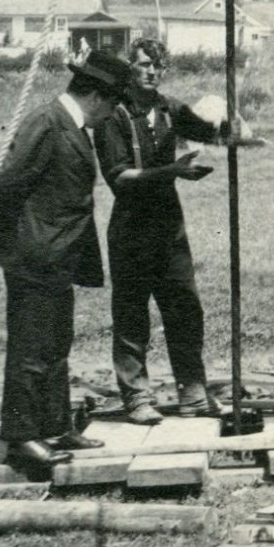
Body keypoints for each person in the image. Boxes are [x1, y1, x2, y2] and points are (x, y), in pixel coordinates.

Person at [0, 50, 132, 471]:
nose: (112, 114)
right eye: (113, 105)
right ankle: (20, 438)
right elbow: (8, 184)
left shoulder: (72, 124)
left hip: (57, 258)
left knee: (55, 344)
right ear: (96, 96)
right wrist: (13, 248)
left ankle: (54, 426)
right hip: (34, 257)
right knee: (31, 350)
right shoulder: (47, 122)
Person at [95, 37, 227, 424]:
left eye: (158, 66)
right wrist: (174, 171)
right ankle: (136, 396)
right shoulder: (112, 116)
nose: (151, 72)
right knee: (132, 316)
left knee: (185, 309)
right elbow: (120, 178)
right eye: (143, 65)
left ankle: (193, 392)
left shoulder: (169, 108)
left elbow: (208, 132)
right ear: (130, 68)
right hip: (131, 229)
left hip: (169, 227)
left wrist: (233, 129)